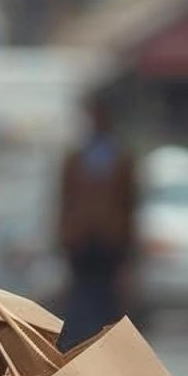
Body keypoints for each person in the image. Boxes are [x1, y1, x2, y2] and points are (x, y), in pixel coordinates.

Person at [55, 93, 138, 346]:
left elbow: (129, 201)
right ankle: (79, 339)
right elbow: (64, 198)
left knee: (106, 295)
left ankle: (105, 341)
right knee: (81, 293)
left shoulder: (120, 157)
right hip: (81, 237)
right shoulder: (77, 157)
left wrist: (127, 240)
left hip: (109, 238)